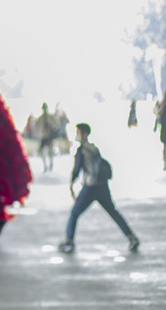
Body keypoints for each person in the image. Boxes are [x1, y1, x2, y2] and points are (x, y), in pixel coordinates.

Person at [58, 123, 139, 254]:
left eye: (78, 132)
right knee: (113, 212)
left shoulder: (82, 150)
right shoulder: (94, 148)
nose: (76, 135)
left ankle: (69, 241)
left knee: (74, 213)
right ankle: (131, 237)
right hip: (102, 186)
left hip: (90, 188)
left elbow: (77, 170)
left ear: (84, 134)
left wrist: (72, 183)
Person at [36, 103, 57, 173]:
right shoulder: (40, 118)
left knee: (50, 152)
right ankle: (45, 166)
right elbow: (37, 127)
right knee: (41, 152)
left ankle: (51, 165)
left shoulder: (51, 117)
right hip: (43, 137)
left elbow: (55, 126)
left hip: (49, 137)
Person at [154, 96, 166, 170]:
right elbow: (158, 113)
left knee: (165, 147)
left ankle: (165, 163)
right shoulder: (163, 105)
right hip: (164, 129)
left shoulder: (163, 105)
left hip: (164, 129)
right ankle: (165, 163)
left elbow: (158, 114)